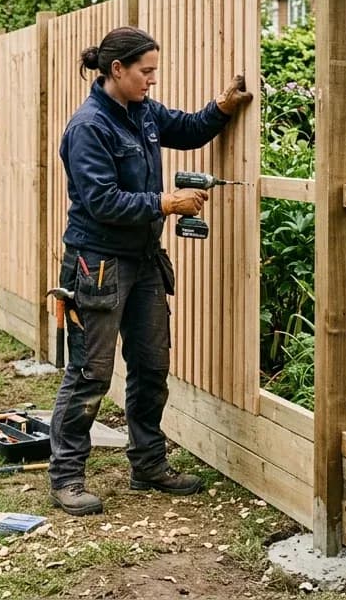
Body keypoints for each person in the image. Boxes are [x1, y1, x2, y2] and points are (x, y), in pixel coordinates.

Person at [48, 25, 252, 516]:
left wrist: (222, 107)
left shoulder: (142, 112)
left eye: (154, 71)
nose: (152, 80)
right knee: (90, 372)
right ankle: (67, 477)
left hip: (142, 262)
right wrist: (166, 202)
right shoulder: (88, 127)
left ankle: (147, 465)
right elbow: (101, 201)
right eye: (146, 71)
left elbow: (186, 128)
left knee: (151, 367)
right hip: (96, 263)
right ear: (116, 70)